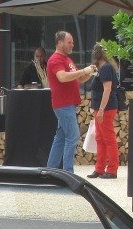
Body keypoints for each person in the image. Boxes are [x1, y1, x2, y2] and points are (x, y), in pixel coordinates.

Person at [46, 30, 96, 173]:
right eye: (70, 42)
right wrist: (84, 71)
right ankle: (68, 173)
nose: (72, 45)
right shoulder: (56, 60)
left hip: (67, 104)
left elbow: (78, 79)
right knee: (72, 136)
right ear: (60, 43)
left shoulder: (67, 60)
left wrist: (89, 73)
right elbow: (62, 77)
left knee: (60, 137)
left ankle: (50, 171)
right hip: (63, 104)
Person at [88, 43, 119, 179]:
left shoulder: (105, 68)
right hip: (100, 108)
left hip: (105, 109)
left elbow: (107, 89)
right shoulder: (101, 68)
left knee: (108, 138)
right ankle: (99, 168)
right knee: (100, 138)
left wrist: (101, 110)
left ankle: (112, 169)